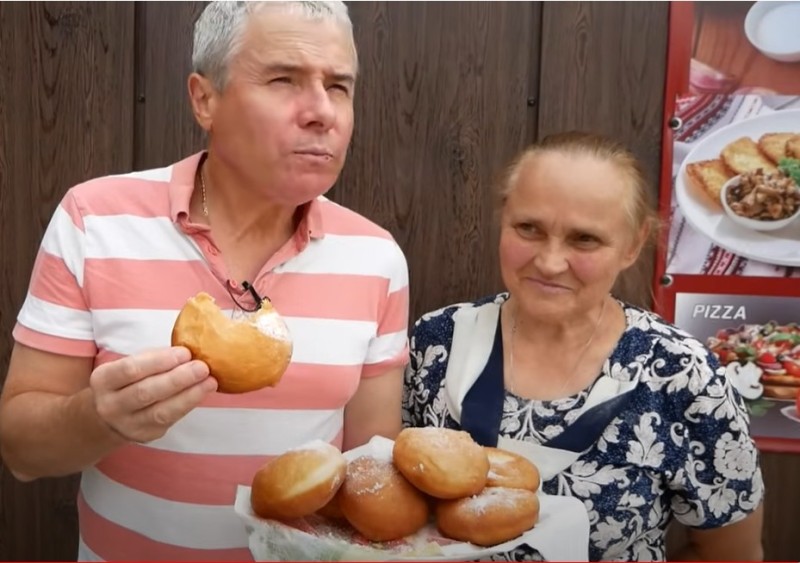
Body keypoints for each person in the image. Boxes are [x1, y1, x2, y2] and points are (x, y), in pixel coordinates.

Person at [0, 1, 409, 560]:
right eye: (284, 79)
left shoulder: (376, 256)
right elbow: (20, 449)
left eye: (339, 87)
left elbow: (369, 469)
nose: (322, 112)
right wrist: (99, 419)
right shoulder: (94, 220)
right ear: (205, 98)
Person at [402, 132, 764, 562]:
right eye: (528, 228)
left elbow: (732, 554)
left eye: (584, 239)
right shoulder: (435, 343)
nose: (551, 262)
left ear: (633, 244)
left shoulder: (684, 376)